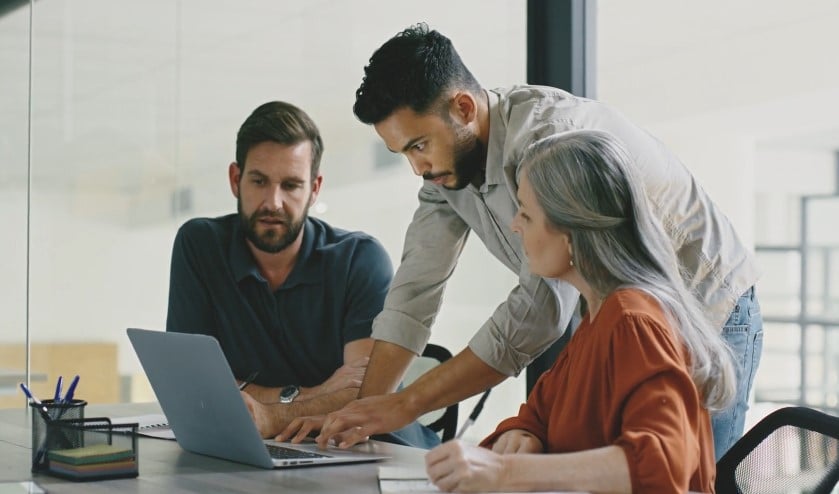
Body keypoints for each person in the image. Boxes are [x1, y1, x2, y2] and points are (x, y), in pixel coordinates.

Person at [291, 24, 761, 460]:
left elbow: (539, 309)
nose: (417, 167)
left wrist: (406, 404)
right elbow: (414, 291)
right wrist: (366, 417)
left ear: (463, 108)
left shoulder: (550, 145)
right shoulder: (446, 173)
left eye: (418, 145)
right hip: (622, 319)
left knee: (689, 475)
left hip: (708, 309)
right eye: (403, 153)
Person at [424, 130, 735, 493]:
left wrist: (506, 473)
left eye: (526, 213)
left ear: (570, 233)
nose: (514, 225)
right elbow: (540, 415)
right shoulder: (598, 315)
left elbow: (662, 464)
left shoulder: (632, 320)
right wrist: (525, 435)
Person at [165, 100, 438, 449]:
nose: (273, 202)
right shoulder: (200, 246)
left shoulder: (359, 259)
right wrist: (312, 394)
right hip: (265, 450)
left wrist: (268, 413)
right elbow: (190, 384)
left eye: (291, 185)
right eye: (259, 181)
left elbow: (362, 394)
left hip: (378, 454)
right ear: (236, 179)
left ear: (315, 189)